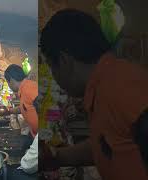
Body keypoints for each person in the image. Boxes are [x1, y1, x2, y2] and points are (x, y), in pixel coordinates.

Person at [40, 9, 148, 180]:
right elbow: (109, 145)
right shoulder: (103, 85)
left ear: (64, 61)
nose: (53, 74)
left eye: (52, 67)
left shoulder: (120, 87)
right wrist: (55, 157)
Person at [0, 64, 38, 138]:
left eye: (8, 82)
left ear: (11, 80)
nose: (9, 86)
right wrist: (9, 111)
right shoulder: (24, 89)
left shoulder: (29, 89)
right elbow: (26, 107)